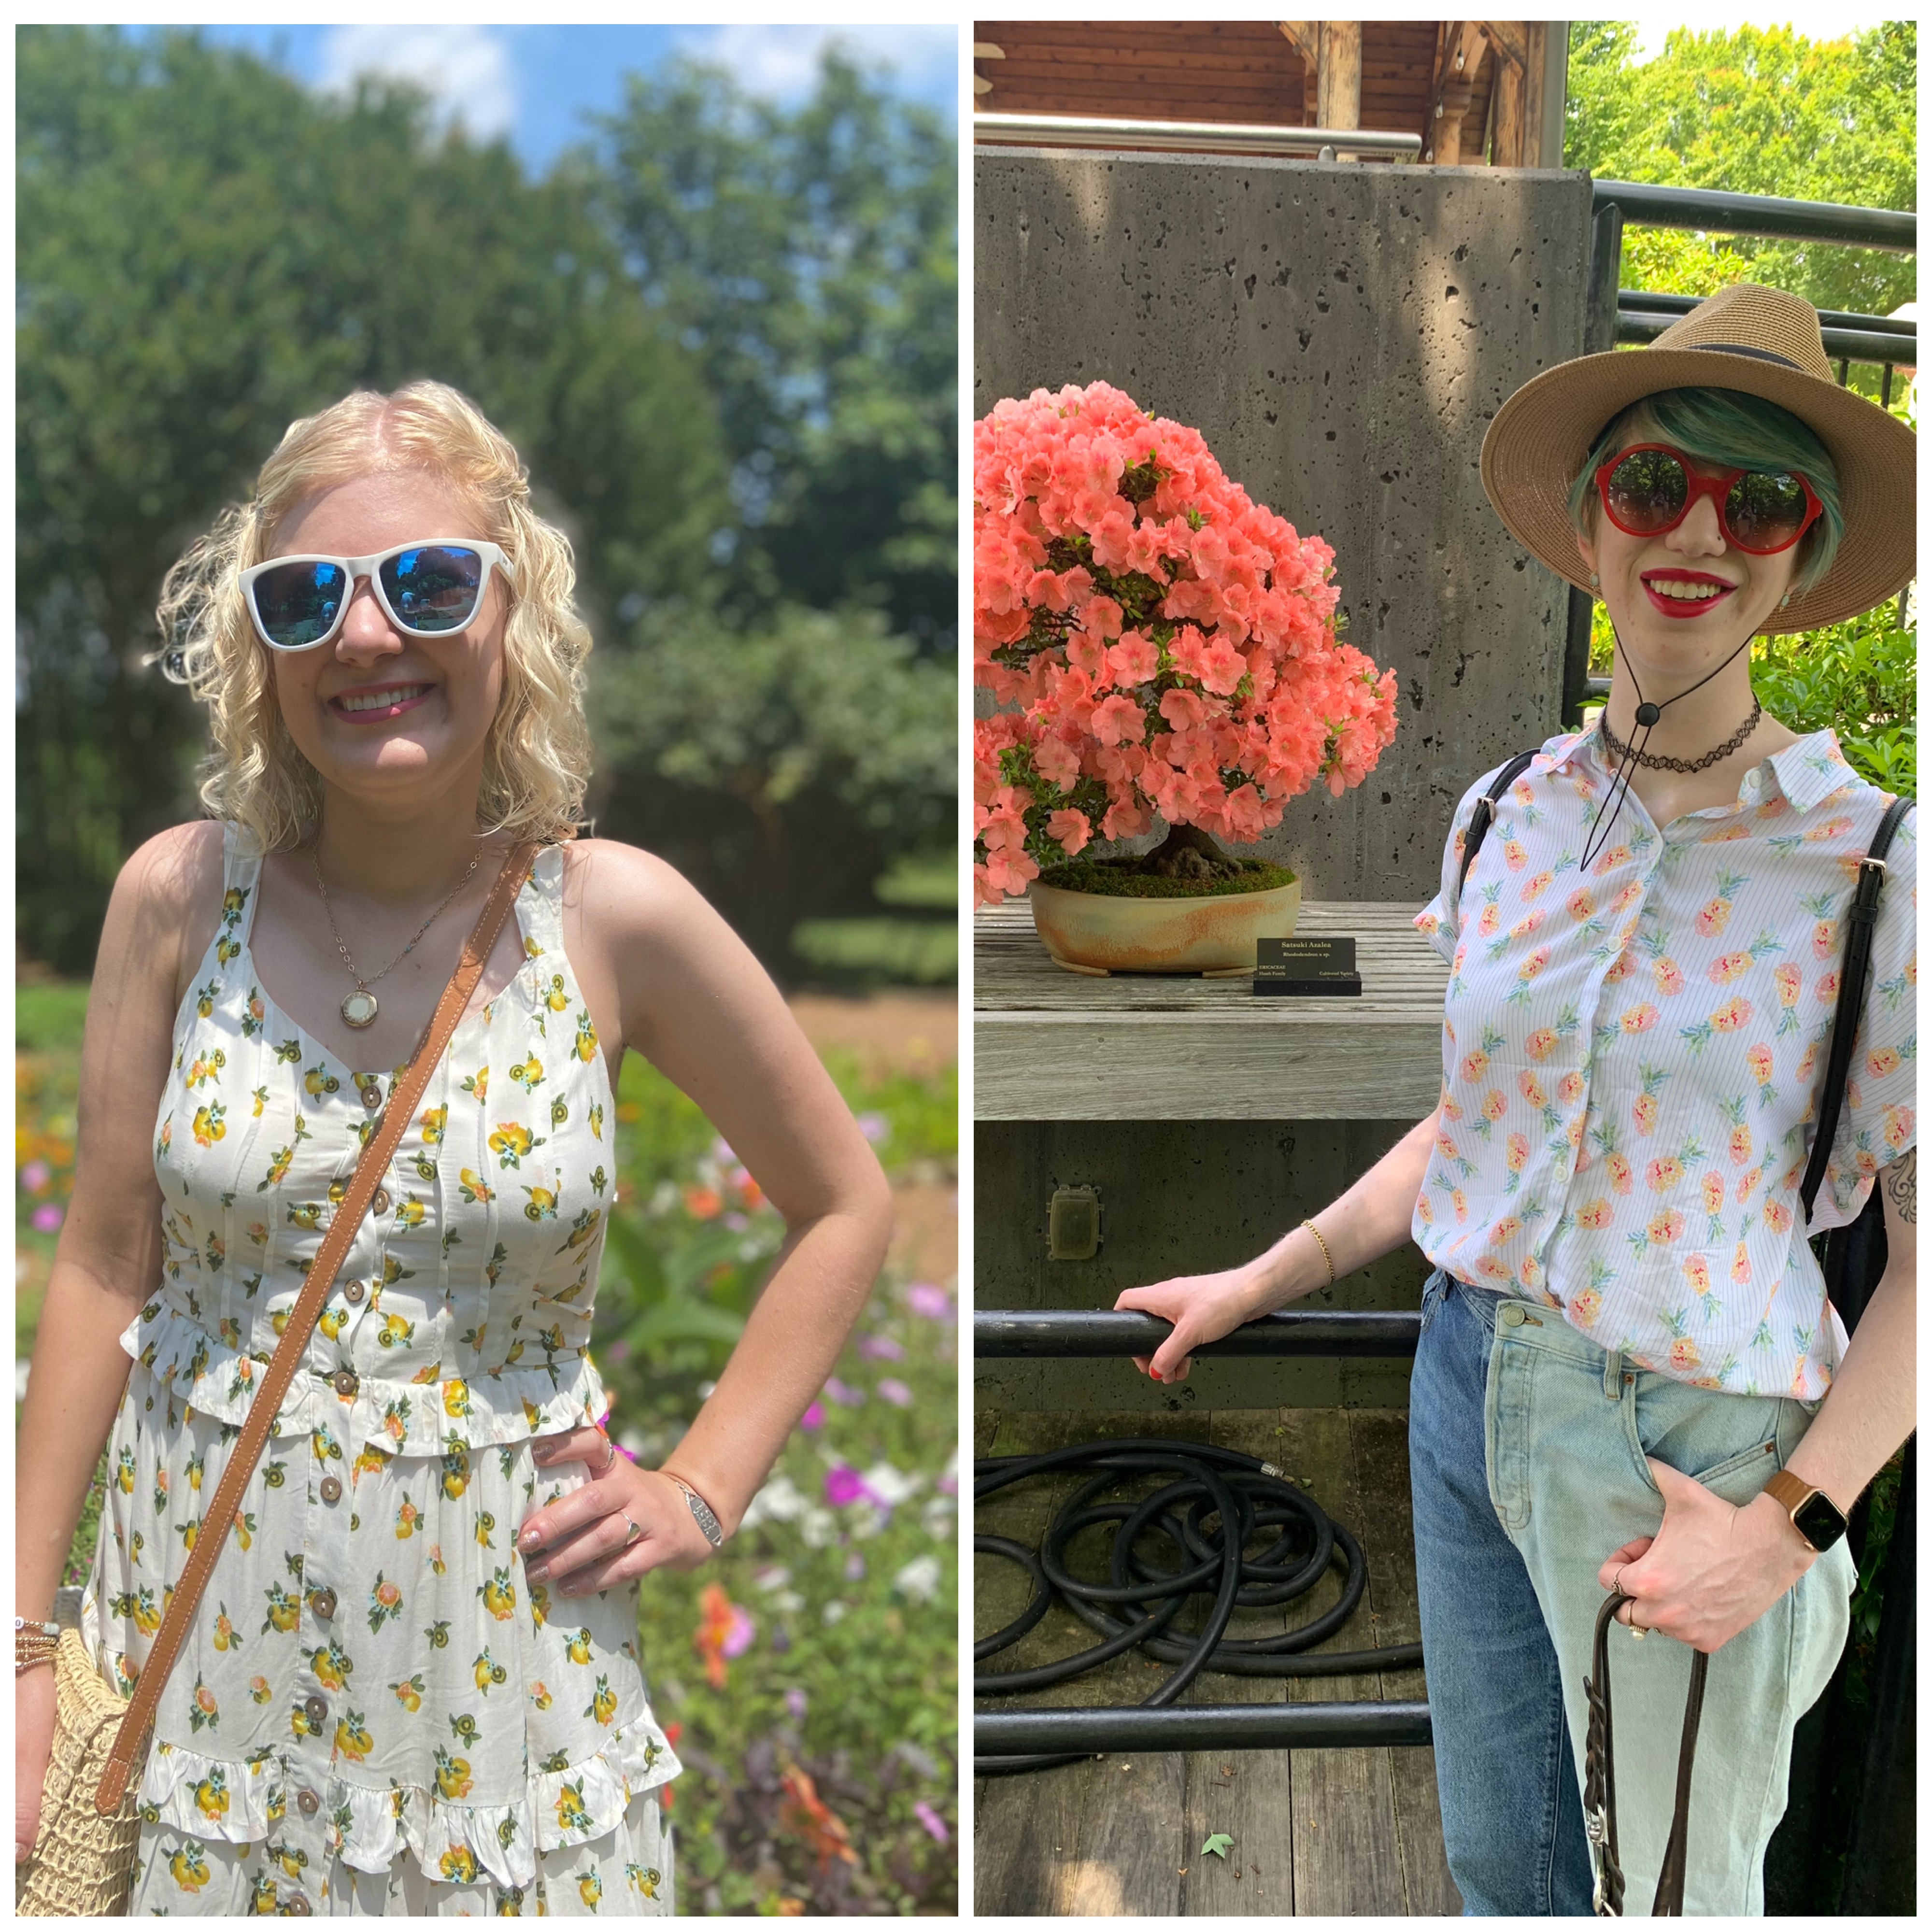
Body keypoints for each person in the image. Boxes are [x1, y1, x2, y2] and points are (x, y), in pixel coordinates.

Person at [14, 382, 894, 1914]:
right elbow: (101, 1264)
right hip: (194, 1646)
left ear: (514, 616)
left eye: (427, 582)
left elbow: (848, 1203)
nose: (367, 637)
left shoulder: (616, 918)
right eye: (306, 599)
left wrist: (702, 1485)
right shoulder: (176, 900)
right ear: (259, 648)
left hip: (504, 1678)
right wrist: (22, 1645)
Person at [1113, 285, 1915, 1916]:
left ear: (1808, 549)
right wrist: (1267, 1273)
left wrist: (1786, 1529)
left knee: (1670, 1900)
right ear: (1589, 516)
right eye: (1655, 485)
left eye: (1762, 499)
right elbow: (1471, 1131)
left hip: (1690, 1443)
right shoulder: (1507, 815)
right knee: (1506, 1873)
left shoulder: (1875, 870)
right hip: (1461, 1382)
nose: (1703, 530)